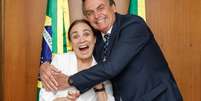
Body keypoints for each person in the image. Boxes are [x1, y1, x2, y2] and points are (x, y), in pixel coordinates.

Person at [40, 0, 183, 101]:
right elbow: (86, 58)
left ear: (113, 7)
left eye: (101, 8)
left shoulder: (133, 25)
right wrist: (44, 66)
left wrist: (70, 81)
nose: (97, 15)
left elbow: (111, 67)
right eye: (90, 12)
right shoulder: (97, 42)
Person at [39, 19, 114, 101]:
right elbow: (44, 95)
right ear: (71, 43)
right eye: (75, 36)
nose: (82, 40)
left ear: (94, 39)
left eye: (86, 34)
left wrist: (99, 87)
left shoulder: (103, 67)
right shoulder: (60, 60)